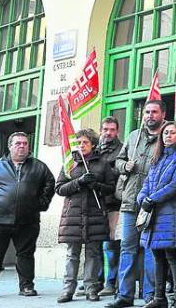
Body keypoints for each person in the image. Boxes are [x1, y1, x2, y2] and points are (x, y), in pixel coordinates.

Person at [107, 100, 167, 308]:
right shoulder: (134, 135)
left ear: (162, 114)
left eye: (154, 112)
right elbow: (118, 161)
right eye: (147, 112)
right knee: (127, 248)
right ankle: (125, 295)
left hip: (154, 201)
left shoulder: (167, 135)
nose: (150, 115)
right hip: (131, 200)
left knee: (151, 249)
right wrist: (125, 166)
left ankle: (151, 295)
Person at [0, 132, 55, 298]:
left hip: (28, 220)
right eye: (18, 143)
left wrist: (41, 204)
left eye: (25, 143)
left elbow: (50, 183)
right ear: (10, 146)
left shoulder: (39, 167)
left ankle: (26, 287)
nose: (22, 146)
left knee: (25, 254)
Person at [137, 121, 176, 308]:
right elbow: (147, 182)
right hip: (154, 213)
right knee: (157, 255)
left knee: (173, 255)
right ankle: (159, 298)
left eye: (172, 133)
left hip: (170, 212)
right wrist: (142, 197)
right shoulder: (158, 157)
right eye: (165, 133)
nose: (168, 136)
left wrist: (152, 199)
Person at [56, 129, 115, 303]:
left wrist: (95, 185)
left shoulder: (102, 164)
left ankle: (91, 288)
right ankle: (68, 290)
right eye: (79, 142)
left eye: (85, 142)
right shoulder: (69, 164)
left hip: (94, 214)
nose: (81, 145)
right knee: (72, 254)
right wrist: (78, 182)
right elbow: (59, 188)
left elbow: (111, 188)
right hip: (73, 216)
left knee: (93, 254)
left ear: (93, 145)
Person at [97, 117, 123, 297]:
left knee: (112, 244)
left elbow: (120, 174)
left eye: (112, 130)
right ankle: (95, 281)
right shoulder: (94, 150)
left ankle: (111, 281)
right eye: (105, 129)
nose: (108, 133)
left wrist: (104, 172)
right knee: (95, 244)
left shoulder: (122, 150)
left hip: (113, 202)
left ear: (117, 131)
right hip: (95, 203)